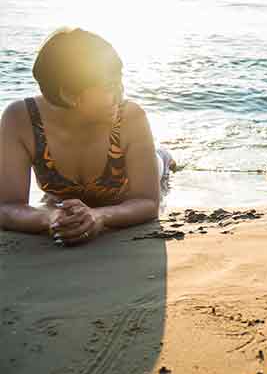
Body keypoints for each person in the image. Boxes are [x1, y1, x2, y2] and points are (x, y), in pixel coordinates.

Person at [0, 28, 175, 245]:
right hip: (74, 197)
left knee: (160, 161)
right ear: (68, 94)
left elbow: (148, 202)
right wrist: (50, 218)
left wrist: (99, 216)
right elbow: (7, 207)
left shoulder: (130, 116)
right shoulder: (21, 119)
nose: (121, 93)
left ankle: (165, 155)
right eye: (110, 86)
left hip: (151, 170)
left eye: (120, 81)